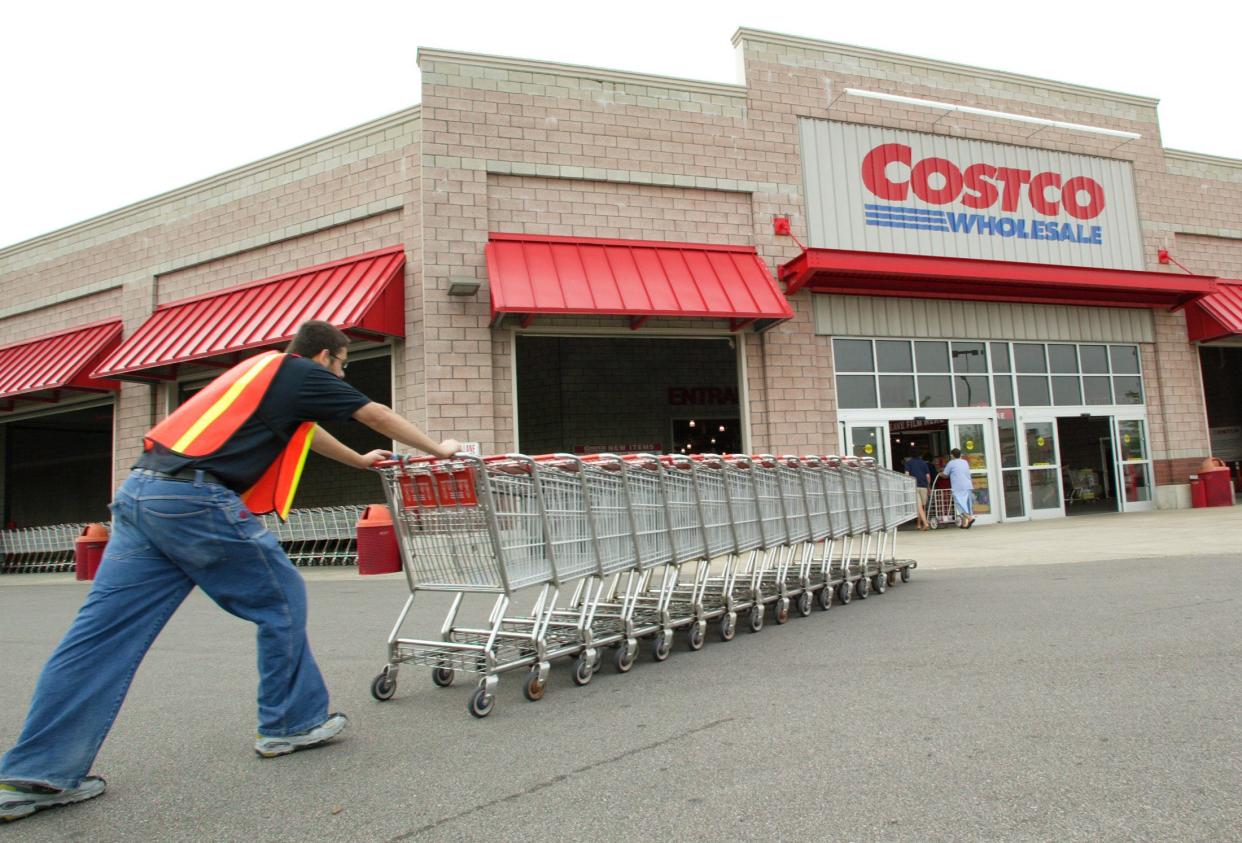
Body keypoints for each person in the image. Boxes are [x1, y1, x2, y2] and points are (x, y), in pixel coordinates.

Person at [0, 320, 461, 822]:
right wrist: (441, 450)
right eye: (344, 363)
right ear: (327, 355)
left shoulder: (258, 372)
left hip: (140, 494)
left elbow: (307, 432)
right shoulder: (302, 372)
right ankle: (289, 722)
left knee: (100, 635)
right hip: (195, 501)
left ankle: (37, 775)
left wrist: (357, 462)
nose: (342, 372)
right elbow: (377, 413)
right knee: (281, 598)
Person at [944, 447, 975, 529]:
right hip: (968, 485)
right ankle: (964, 524)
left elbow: (945, 474)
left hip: (958, 486)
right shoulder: (965, 462)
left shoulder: (951, 463)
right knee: (966, 504)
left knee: (959, 504)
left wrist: (940, 473)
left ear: (952, 455)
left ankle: (970, 518)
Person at [903, 448, 932, 530]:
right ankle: (919, 524)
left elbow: (907, 474)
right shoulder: (924, 463)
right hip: (924, 486)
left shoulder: (908, 463)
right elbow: (928, 476)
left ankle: (925, 523)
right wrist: (928, 486)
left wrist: (907, 486)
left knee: (919, 507)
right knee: (922, 507)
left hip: (914, 486)